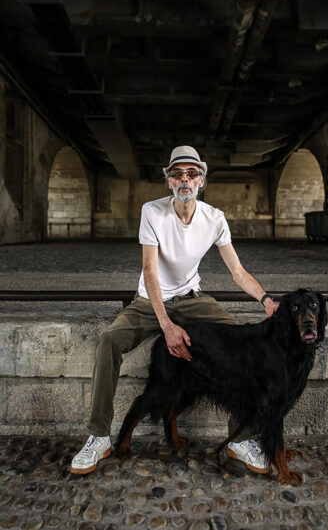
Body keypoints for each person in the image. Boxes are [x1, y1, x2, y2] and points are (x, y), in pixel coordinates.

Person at [71, 145, 279, 475]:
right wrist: (166, 325)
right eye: (177, 174)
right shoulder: (152, 212)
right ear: (168, 181)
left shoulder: (214, 218)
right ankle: (98, 436)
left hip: (193, 299)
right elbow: (151, 272)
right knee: (109, 340)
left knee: (243, 345)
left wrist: (267, 301)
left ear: (202, 181)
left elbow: (237, 272)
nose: (185, 179)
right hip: (149, 301)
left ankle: (241, 440)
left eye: (192, 173)